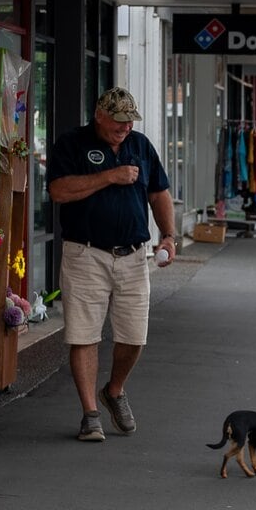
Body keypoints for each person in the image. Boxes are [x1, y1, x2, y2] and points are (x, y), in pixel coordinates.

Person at [46, 87, 177, 443]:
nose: (124, 127)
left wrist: (168, 235)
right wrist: (110, 175)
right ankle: (90, 414)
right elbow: (58, 191)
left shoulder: (140, 144)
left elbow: (159, 192)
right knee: (84, 334)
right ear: (99, 116)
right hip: (86, 253)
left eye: (129, 120)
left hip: (134, 254)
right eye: (118, 120)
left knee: (135, 336)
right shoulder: (72, 143)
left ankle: (114, 391)